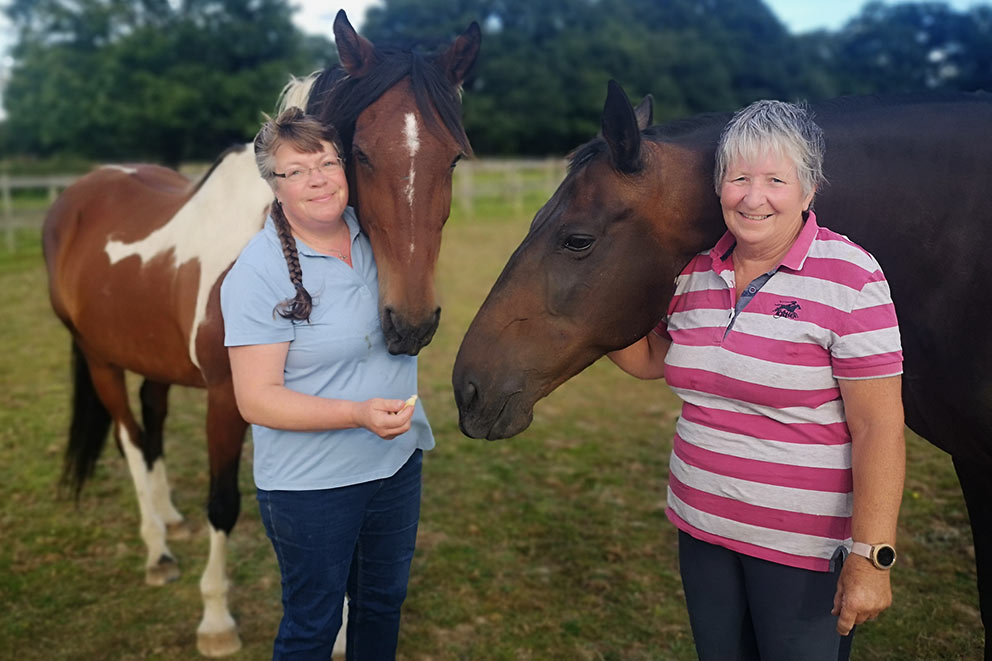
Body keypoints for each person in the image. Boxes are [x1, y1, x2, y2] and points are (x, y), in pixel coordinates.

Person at [608, 100, 905, 660]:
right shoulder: (696, 271)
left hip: (802, 550)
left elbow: (879, 428)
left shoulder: (851, 277)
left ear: (809, 190)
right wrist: (592, 310)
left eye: (775, 180)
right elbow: (652, 358)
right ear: (719, 186)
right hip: (701, 529)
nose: (752, 197)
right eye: (739, 178)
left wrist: (872, 557)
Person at [220, 107, 433, 659]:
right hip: (311, 487)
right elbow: (256, 399)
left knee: (381, 605)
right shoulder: (258, 272)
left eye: (327, 163)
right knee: (313, 625)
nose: (317, 179)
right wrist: (357, 414)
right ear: (274, 186)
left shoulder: (378, 236)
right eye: (296, 171)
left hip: (395, 465)